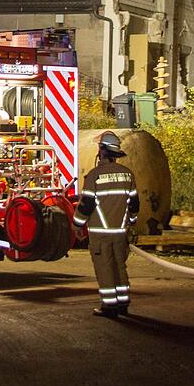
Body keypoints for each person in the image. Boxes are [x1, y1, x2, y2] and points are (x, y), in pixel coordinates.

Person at [73, 132, 139, 318]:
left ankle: (109, 306)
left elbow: (86, 206)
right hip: (120, 232)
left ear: (101, 151)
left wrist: (77, 226)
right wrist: (131, 223)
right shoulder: (128, 175)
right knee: (119, 266)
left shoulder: (94, 176)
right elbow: (134, 204)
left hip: (100, 233)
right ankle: (123, 303)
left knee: (105, 268)